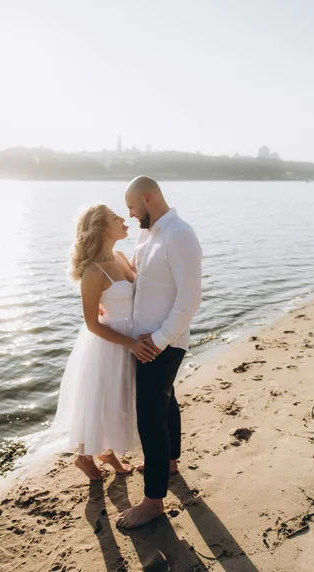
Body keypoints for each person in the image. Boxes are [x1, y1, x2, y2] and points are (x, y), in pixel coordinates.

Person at [116, 176, 203, 528]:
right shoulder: (147, 235)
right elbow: (142, 279)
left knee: (149, 418)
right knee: (165, 401)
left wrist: (160, 339)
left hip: (163, 342)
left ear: (147, 198)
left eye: (132, 207)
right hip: (150, 339)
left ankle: (153, 502)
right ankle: (168, 461)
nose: (131, 215)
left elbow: (190, 297)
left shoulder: (180, 235)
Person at [50, 204, 155, 481]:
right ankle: (85, 457)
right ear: (101, 229)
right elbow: (92, 324)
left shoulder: (121, 257)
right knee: (99, 399)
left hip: (133, 337)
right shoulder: (93, 272)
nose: (123, 219)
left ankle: (106, 452)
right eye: (115, 218)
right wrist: (130, 343)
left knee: (120, 399)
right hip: (108, 343)